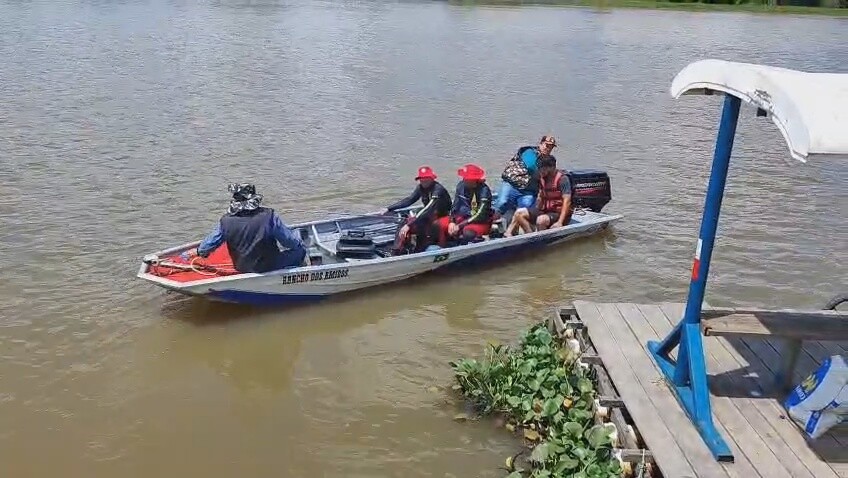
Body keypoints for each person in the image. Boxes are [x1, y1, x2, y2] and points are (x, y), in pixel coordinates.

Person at [180, 183, 307, 273]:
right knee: (300, 249)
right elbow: (289, 242)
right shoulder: (269, 216)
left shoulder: (225, 221)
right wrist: (299, 242)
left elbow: (210, 244)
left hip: (241, 267)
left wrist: (198, 252)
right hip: (268, 266)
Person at [384, 166, 452, 254]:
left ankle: (422, 249)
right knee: (403, 222)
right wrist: (389, 208)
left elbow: (429, 208)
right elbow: (410, 200)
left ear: (431, 178)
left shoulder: (438, 190)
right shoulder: (420, 187)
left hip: (441, 216)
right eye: (421, 179)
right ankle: (396, 249)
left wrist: (410, 224)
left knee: (420, 225)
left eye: (426, 179)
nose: (423, 182)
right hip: (428, 215)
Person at [494, 135, 558, 219]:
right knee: (502, 202)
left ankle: (517, 228)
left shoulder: (548, 160)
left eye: (551, 147)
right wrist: (545, 172)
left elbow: (551, 174)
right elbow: (531, 166)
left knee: (526, 207)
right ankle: (491, 222)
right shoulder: (529, 151)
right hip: (512, 184)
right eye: (547, 145)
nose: (548, 148)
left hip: (528, 190)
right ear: (541, 144)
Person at [505, 156, 572, 236]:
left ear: (551, 167)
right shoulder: (542, 178)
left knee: (541, 220)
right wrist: (537, 206)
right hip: (545, 211)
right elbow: (540, 196)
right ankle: (530, 236)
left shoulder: (563, 179)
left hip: (558, 213)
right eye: (539, 168)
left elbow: (567, 202)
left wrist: (560, 222)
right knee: (519, 213)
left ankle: (541, 241)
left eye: (542, 168)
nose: (540, 171)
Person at [437, 163, 494, 247]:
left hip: (479, 221)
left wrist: (460, 225)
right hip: (462, 218)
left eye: (467, 178)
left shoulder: (484, 191)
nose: (464, 180)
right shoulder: (460, 186)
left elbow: (480, 214)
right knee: (439, 224)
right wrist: (452, 222)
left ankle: (475, 243)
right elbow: (455, 205)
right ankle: (442, 247)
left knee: (467, 232)